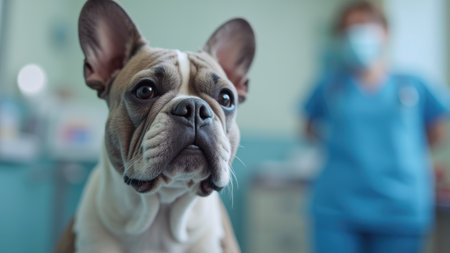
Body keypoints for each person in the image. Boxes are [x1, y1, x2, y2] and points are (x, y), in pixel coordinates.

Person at [303, 1, 450, 253]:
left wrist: (408, 155)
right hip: (337, 209)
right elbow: (309, 128)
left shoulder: (412, 85)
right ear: (340, 38)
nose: (357, 33)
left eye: (364, 25)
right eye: (349, 28)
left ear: (385, 32)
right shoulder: (330, 87)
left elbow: (438, 130)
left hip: (400, 210)